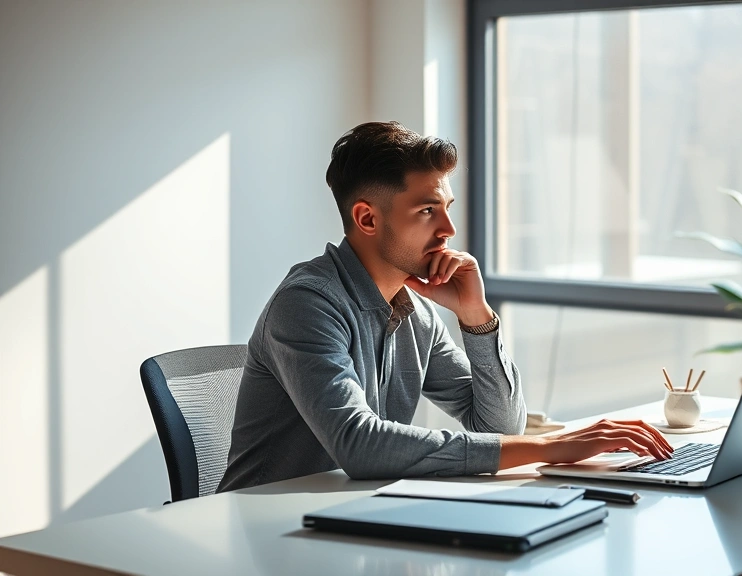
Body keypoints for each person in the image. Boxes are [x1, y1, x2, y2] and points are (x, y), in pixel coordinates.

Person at [217, 121, 672, 492]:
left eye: (447, 208)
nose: (450, 229)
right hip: (263, 535)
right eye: (427, 211)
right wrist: (549, 446)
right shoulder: (307, 304)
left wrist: (476, 318)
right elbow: (359, 445)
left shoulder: (414, 309)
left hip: (350, 518)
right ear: (367, 218)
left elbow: (496, 424)